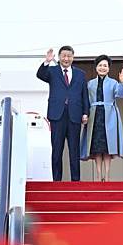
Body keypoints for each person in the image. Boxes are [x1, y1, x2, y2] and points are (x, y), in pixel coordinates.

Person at [36, 46, 89, 181]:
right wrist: (47, 62)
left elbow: (84, 95)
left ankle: (76, 181)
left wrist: (85, 113)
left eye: (69, 56)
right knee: (57, 150)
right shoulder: (52, 71)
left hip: (74, 115)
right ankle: (56, 181)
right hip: (57, 115)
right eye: (64, 56)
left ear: (73, 57)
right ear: (59, 57)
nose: (66, 58)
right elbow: (40, 75)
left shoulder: (80, 74)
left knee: (74, 151)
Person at [80, 55, 123, 181]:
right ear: (96, 67)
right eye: (100, 65)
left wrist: (122, 82)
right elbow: (85, 100)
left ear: (108, 68)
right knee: (96, 148)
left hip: (109, 116)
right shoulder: (90, 84)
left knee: (108, 147)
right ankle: (98, 176)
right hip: (94, 117)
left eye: (105, 66)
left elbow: (120, 94)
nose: (102, 68)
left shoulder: (113, 82)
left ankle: (106, 176)